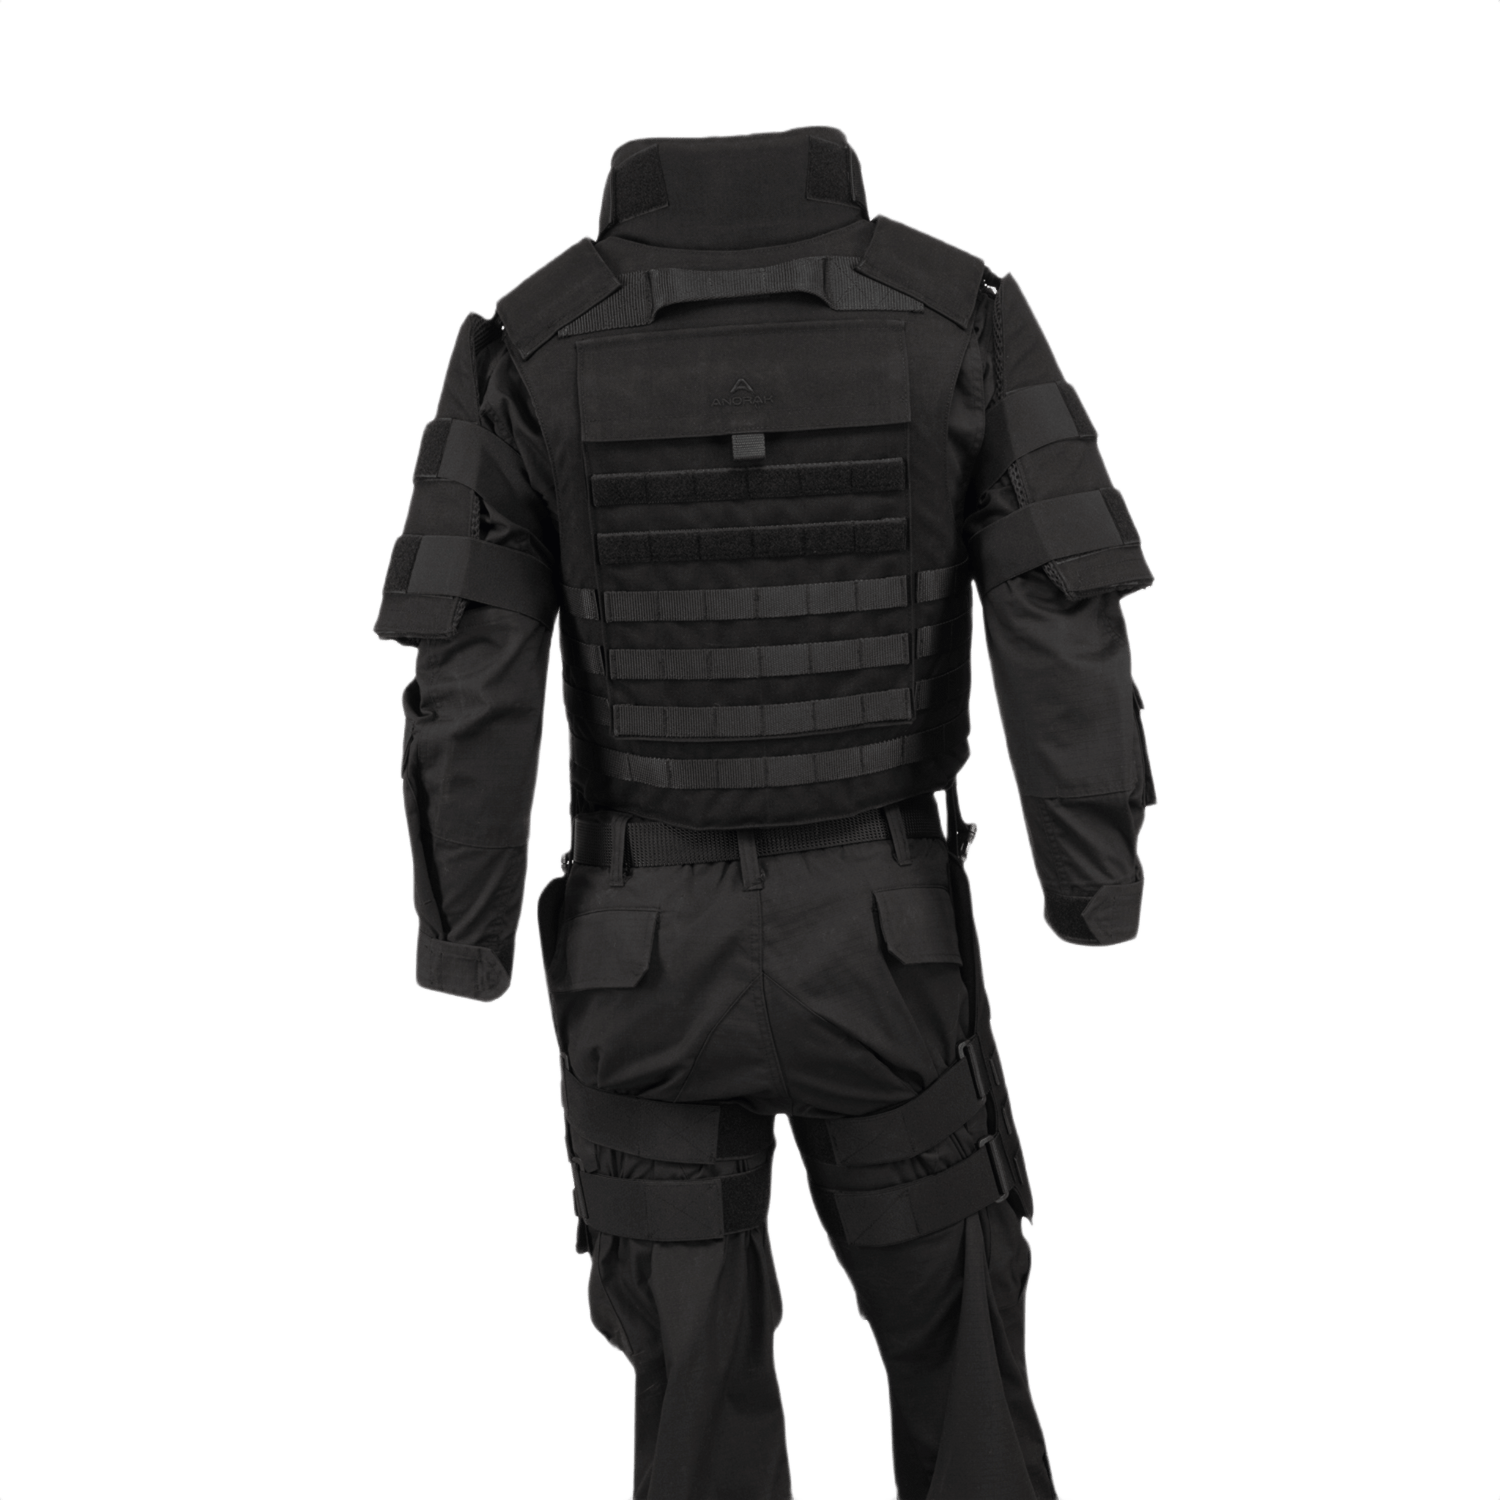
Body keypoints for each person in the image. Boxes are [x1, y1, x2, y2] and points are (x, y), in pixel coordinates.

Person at [373, 125, 1156, 1500]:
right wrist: (1090, 880)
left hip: (641, 955)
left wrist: (464, 932)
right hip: (886, 941)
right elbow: (1060, 612)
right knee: (965, 1372)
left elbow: (471, 670)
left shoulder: (532, 342)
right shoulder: (956, 315)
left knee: (692, 1405)